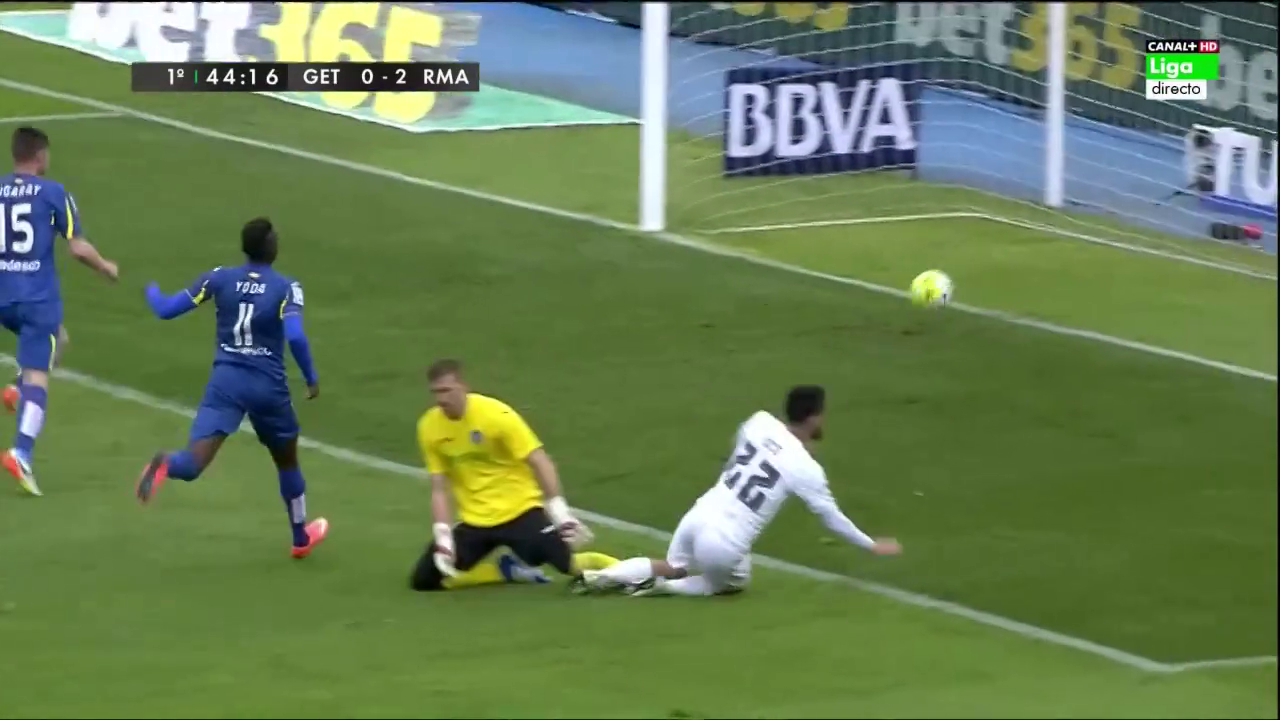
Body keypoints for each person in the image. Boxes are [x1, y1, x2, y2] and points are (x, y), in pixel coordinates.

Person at [576, 385, 901, 597]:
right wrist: (871, 545)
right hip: (725, 541)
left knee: (673, 564)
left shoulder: (759, 422)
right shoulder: (806, 468)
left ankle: (603, 576)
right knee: (734, 581)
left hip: (700, 514)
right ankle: (659, 588)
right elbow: (831, 518)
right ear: (814, 418)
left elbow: (739, 453)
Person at [134, 217, 328, 559]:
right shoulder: (286, 287)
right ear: (270, 247)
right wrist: (311, 377)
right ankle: (300, 537)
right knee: (287, 461)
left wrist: (149, 290)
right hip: (267, 387)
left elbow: (166, 310)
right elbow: (296, 336)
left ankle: (167, 464)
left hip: (225, 383)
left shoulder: (219, 278)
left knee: (193, 463)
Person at [0, 126, 118, 496]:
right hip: (36, 300)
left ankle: (16, 389)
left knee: (59, 339)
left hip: (4, 298)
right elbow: (77, 248)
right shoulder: (53, 193)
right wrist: (105, 267)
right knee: (40, 374)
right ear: (39, 156)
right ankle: (21, 452)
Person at [410, 359, 595, 591]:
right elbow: (439, 487)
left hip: (519, 511)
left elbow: (539, 460)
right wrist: (443, 538)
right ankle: (504, 570)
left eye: (446, 390)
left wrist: (559, 511)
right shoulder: (429, 427)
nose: (441, 399)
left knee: (568, 565)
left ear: (463, 387)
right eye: (436, 392)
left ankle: (627, 570)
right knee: (424, 580)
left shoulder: (496, 415)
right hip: (475, 521)